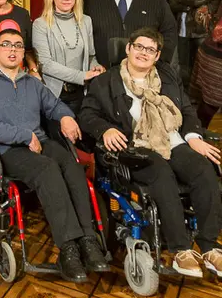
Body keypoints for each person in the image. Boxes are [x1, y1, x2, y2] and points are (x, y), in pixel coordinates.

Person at [0, 28, 109, 282]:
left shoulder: (31, 82)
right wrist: (23, 135)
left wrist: (66, 116)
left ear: (24, 53)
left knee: (71, 164)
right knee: (47, 169)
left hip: (40, 142)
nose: (12, 50)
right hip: (7, 151)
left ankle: (88, 240)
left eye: (18, 46)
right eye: (7, 45)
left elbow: (54, 105)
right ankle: (68, 249)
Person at [79, 27, 222, 278]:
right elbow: (87, 115)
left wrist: (193, 137)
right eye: (139, 47)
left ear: (157, 56)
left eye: (150, 50)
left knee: (203, 168)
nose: (144, 53)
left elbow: (187, 110)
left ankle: (210, 247)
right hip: (136, 147)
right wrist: (106, 130)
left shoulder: (167, 78)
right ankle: (181, 250)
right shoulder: (107, 81)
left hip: (173, 142)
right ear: (128, 48)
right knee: (160, 171)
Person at [33, 0, 105, 114]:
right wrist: (82, 75)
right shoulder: (40, 24)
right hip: (55, 94)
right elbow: (46, 64)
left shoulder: (86, 21)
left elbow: (90, 56)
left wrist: (96, 68)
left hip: (81, 93)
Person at [170, 0, 222, 86]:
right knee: (182, 66)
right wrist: (188, 6)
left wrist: (185, 1)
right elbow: (172, 3)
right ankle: (185, 98)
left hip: (200, 32)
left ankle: (195, 100)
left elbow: (198, 0)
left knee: (198, 69)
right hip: (182, 29)